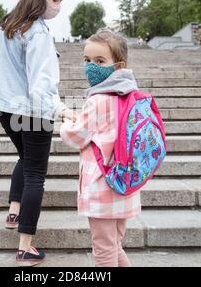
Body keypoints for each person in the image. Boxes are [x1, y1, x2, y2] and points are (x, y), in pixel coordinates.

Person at [0, 0, 78, 267]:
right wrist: (62, 109)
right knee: (35, 175)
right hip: (34, 112)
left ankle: (14, 212)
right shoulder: (37, 32)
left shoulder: (8, 24)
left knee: (25, 159)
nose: (57, 5)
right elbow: (40, 85)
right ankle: (25, 247)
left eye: (61, 0)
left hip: (6, 108)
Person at [60, 29, 142, 267]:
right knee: (114, 246)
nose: (91, 67)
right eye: (87, 60)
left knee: (103, 251)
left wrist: (66, 123)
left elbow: (75, 137)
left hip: (102, 187)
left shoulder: (98, 100)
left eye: (99, 61)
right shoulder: (131, 96)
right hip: (124, 185)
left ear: (118, 65)